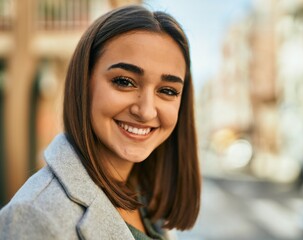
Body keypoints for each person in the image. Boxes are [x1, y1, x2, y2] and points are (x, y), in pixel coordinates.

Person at [0, 5, 201, 240]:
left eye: (167, 90)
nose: (146, 111)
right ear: (84, 83)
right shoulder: (34, 216)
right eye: (125, 81)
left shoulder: (146, 196)